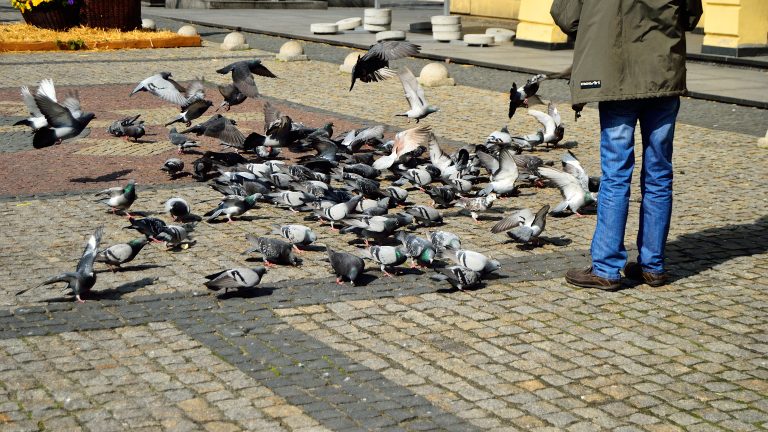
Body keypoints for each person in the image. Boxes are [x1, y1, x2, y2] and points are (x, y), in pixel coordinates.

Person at [550, 0, 703, 290]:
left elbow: (566, 17)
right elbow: (691, 14)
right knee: (659, 172)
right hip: (662, 70)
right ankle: (653, 266)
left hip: (614, 73)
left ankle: (606, 268)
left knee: (616, 174)